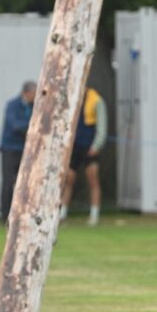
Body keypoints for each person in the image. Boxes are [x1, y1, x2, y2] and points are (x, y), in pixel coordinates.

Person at [61, 86, 107, 226]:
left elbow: (102, 126)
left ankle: (94, 215)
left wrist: (96, 146)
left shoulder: (97, 100)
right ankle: (62, 213)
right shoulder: (71, 98)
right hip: (74, 146)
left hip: (89, 146)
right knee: (68, 180)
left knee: (93, 180)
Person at [0, 81, 36, 222]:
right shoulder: (12, 105)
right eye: (33, 94)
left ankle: (22, 213)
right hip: (9, 149)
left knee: (25, 184)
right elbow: (15, 125)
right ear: (26, 93)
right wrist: (33, 126)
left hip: (25, 151)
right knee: (8, 183)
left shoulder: (34, 106)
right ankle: (5, 215)